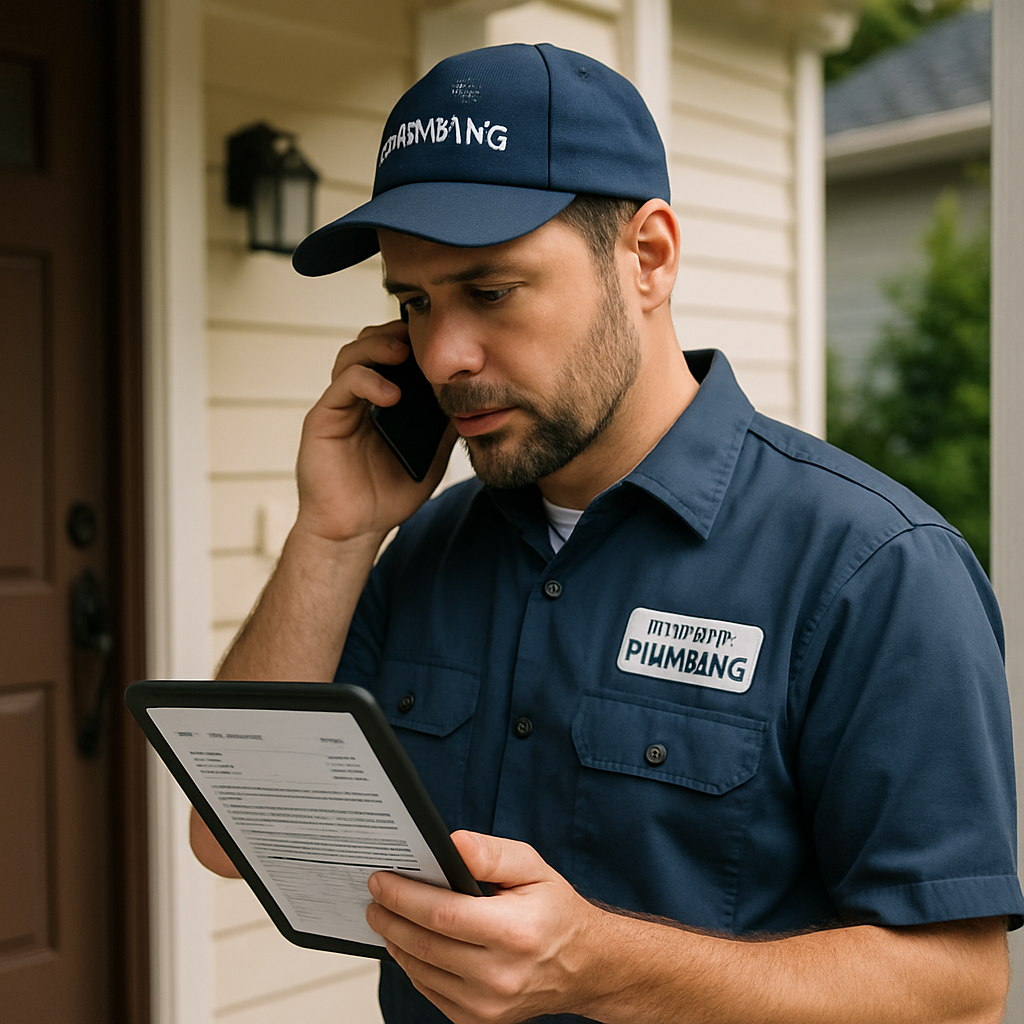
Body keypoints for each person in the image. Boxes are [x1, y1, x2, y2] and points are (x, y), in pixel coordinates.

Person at [191, 42, 1023, 1024]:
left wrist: (600, 963)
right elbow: (228, 838)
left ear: (648, 256)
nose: (443, 356)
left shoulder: (872, 568)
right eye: (413, 303)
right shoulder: (421, 547)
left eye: (490, 291)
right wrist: (332, 535)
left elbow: (959, 990)